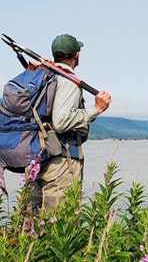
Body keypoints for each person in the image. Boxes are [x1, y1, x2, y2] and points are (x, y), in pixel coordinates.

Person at [27, 33, 112, 212]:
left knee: (30, 224)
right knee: (60, 225)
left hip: (34, 160)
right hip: (60, 163)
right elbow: (61, 121)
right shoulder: (68, 82)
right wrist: (96, 109)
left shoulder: (40, 77)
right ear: (76, 55)